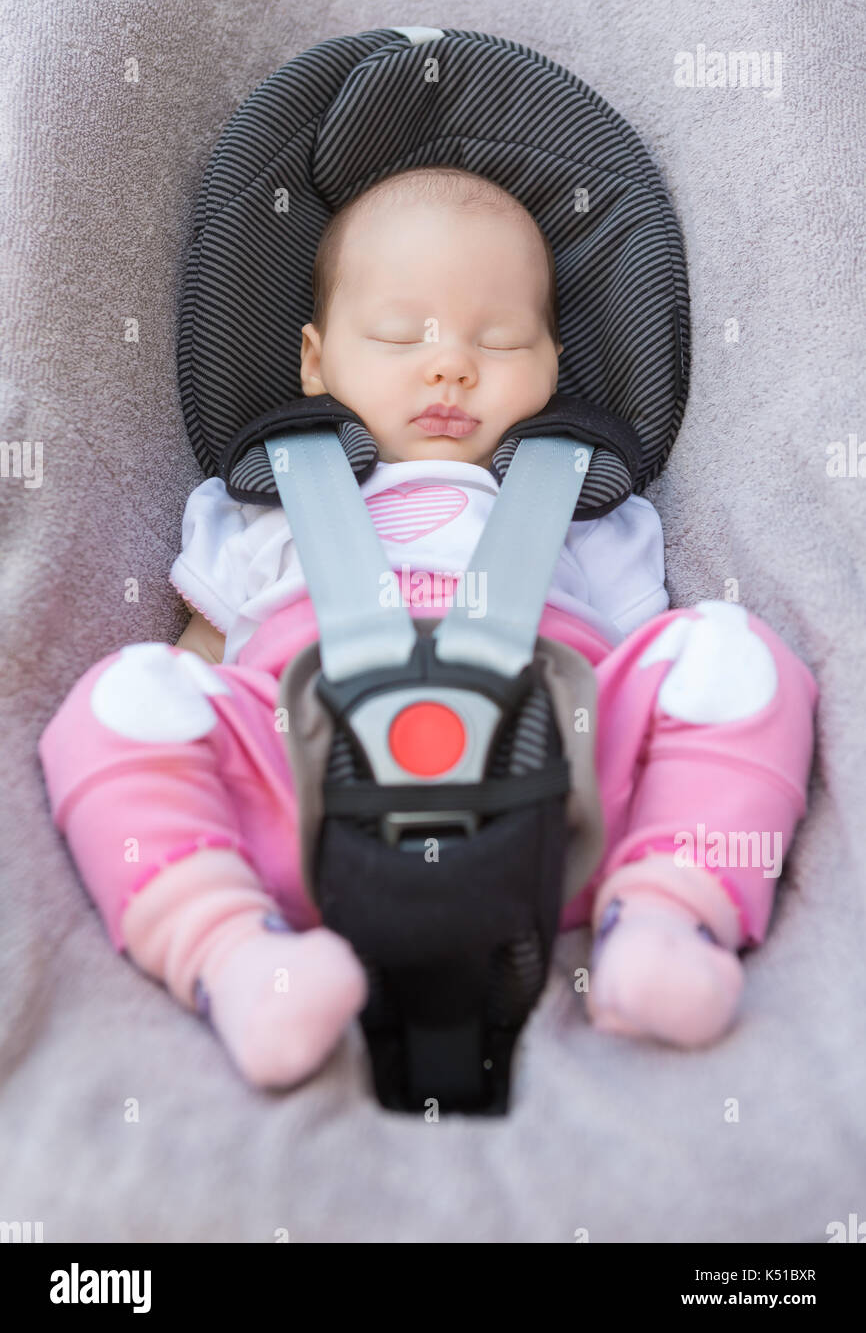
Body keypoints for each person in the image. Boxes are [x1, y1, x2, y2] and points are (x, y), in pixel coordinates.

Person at [37, 167, 818, 1091]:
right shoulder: (262, 505)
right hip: (304, 792)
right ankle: (234, 953)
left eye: (500, 338)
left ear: (555, 367)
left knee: (734, 658)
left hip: (560, 798)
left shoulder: (591, 514)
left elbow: (659, 704)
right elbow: (200, 661)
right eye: (400, 335)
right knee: (124, 699)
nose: (450, 363)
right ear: (316, 362)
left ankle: (662, 917)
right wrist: (182, 727)